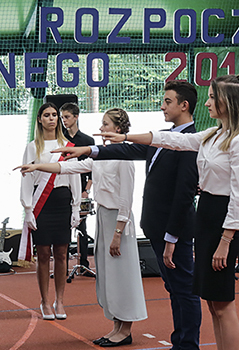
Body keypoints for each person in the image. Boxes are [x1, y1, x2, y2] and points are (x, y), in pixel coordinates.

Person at [69, 74, 239, 350]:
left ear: (228, 102)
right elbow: (170, 140)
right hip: (206, 215)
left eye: (212, 98)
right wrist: (123, 136)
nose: (207, 103)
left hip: (222, 219)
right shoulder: (213, 135)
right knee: (214, 305)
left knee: (224, 304)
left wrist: (227, 239)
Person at [65, 81, 203, 349]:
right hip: (156, 227)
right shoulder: (165, 137)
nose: (162, 106)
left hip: (173, 230)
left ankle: (188, 345)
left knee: (184, 291)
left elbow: (184, 194)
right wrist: (89, 149)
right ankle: (180, 342)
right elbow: (129, 149)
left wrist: (172, 235)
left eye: (168, 101)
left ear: (184, 106)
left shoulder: (191, 142)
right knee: (174, 290)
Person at [16, 108, 146, 347]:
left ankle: (126, 329)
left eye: (105, 124)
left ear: (118, 130)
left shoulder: (125, 157)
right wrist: (37, 167)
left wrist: (118, 233)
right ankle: (117, 326)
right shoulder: (103, 153)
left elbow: (126, 199)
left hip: (119, 221)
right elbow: (70, 168)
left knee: (122, 275)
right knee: (109, 275)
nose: (102, 127)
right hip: (105, 218)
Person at [19, 102, 81, 320]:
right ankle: (45, 301)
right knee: (43, 253)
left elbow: (74, 174)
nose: (52, 118)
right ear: (39, 119)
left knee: (62, 253)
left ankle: (60, 300)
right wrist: (28, 209)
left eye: (55, 115)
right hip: (41, 203)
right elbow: (26, 178)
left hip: (62, 200)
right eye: (47, 115)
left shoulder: (67, 145)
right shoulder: (32, 146)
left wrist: (76, 207)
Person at [60, 102, 95, 275]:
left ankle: (84, 264)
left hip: (81, 188)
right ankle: (63, 266)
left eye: (67, 117)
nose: (63, 121)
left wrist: (86, 190)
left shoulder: (87, 141)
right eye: (62, 117)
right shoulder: (60, 139)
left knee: (82, 227)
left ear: (76, 117)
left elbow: (93, 169)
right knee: (64, 227)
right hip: (64, 188)